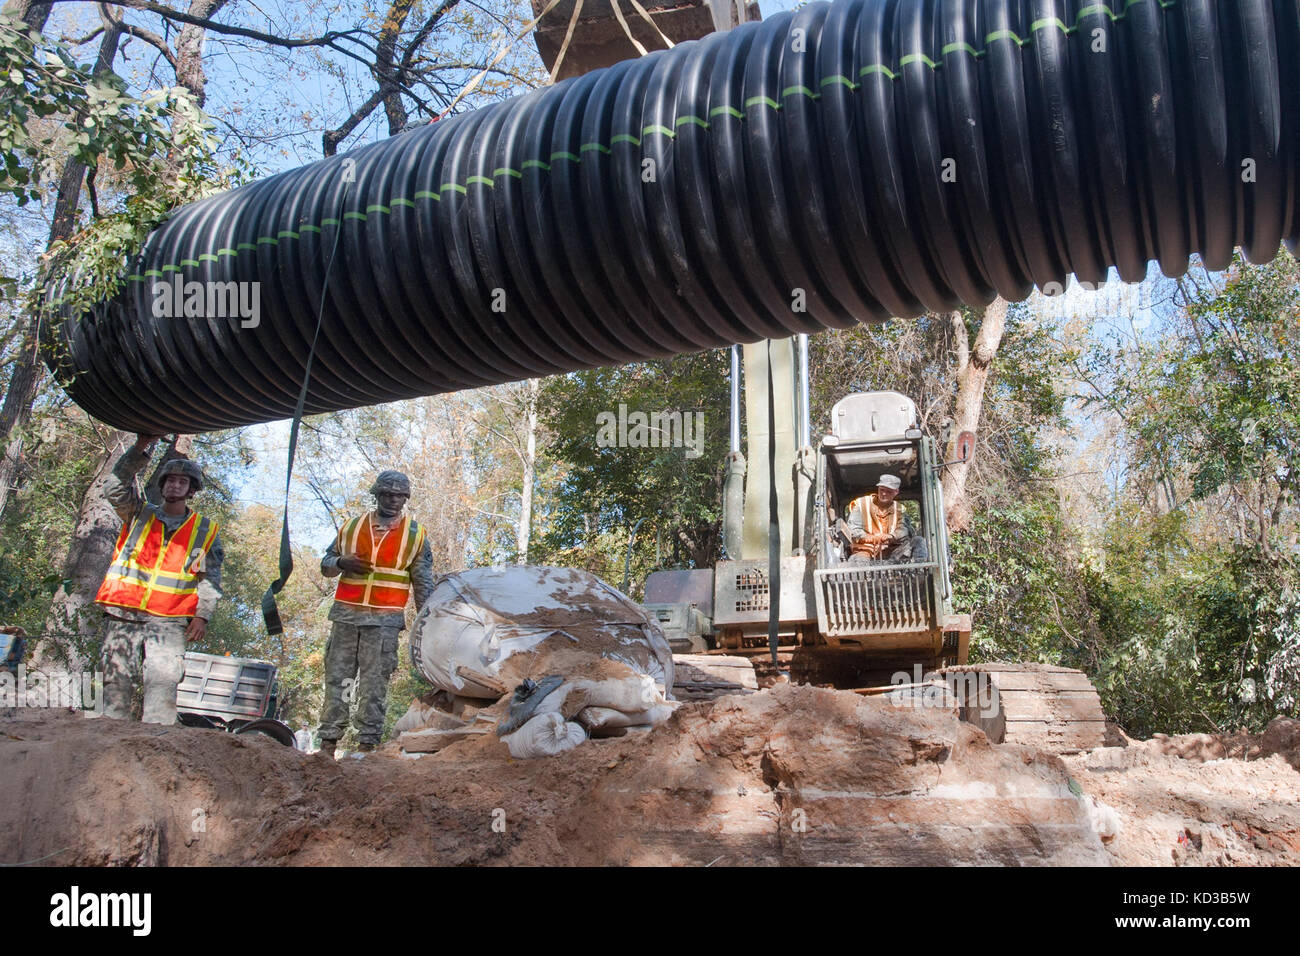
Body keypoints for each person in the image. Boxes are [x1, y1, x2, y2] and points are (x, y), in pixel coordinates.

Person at [97, 434, 223, 724]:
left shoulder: (205, 531)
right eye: (170, 480)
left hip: (169, 620)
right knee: (115, 685)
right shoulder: (138, 513)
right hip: (122, 613)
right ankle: (109, 747)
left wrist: (202, 617)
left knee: (162, 688)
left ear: (192, 490)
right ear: (162, 484)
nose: (174, 485)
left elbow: (210, 579)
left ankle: (155, 750)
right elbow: (115, 487)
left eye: (182, 482)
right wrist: (140, 446)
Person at [317, 470, 434, 757]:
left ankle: (366, 745)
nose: (392, 500)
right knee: (339, 679)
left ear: (405, 498)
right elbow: (326, 564)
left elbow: (423, 581)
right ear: (377, 495)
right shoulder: (352, 527)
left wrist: (427, 620)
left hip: (384, 621)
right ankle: (329, 742)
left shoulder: (416, 535)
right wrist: (342, 562)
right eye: (387, 494)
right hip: (346, 616)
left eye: (398, 495)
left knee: (374, 684)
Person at [846, 474, 928, 564]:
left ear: (896, 492)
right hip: (865, 550)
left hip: (892, 550)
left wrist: (891, 536)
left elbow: (904, 530)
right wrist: (869, 537)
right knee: (859, 562)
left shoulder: (900, 509)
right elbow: (853, 529)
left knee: (918, 541)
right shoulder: (861, 504)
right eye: (881, 490)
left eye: (888, 491)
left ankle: (920, 569)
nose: (884, 493)